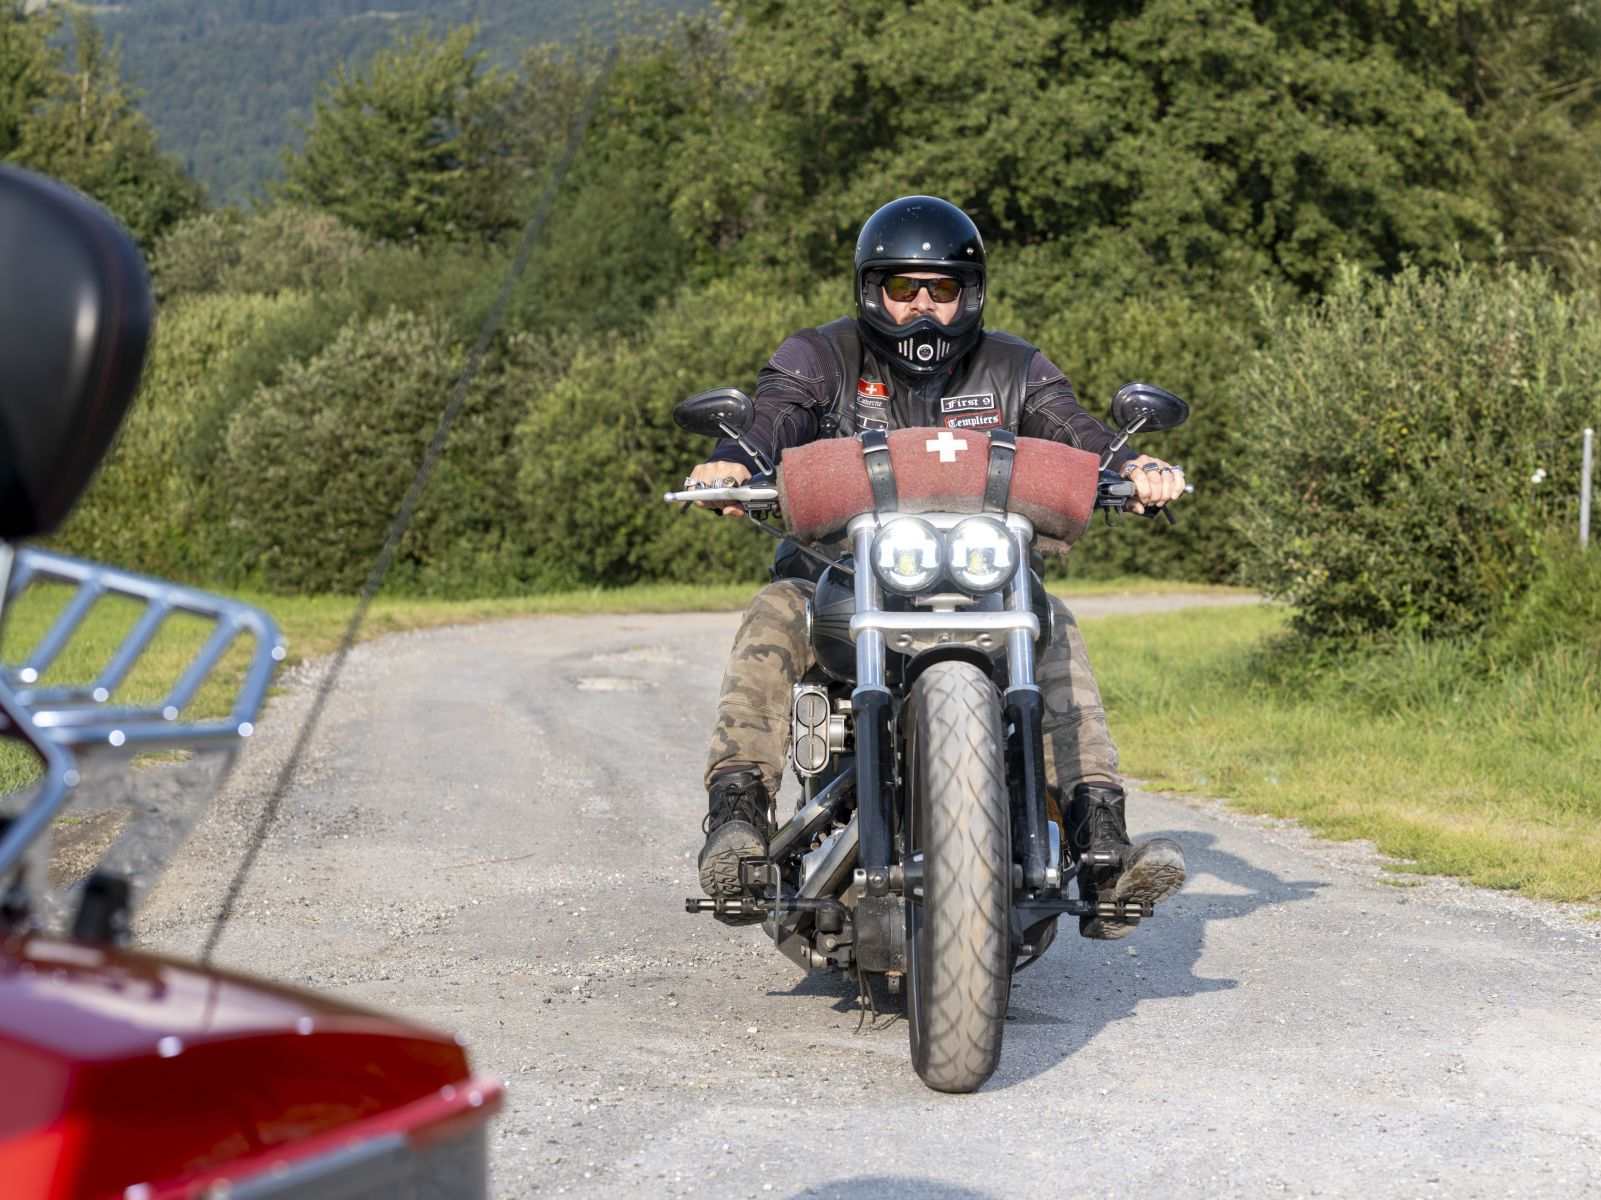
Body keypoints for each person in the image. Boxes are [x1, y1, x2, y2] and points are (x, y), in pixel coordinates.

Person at [687, 195, 1187, 938]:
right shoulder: (819, 358)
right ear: (872, 290)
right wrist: (732, 461)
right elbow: (772, 421)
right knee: (774, 612)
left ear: (969, 293)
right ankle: (738, 825)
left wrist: (1134, 465)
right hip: (838, 573)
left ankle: (1102, 850)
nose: (922, 306)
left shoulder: (1015, 368)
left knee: (1053, 627)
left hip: (982, 586)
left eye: (942, 288)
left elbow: (1076, 433)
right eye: (903, 287)